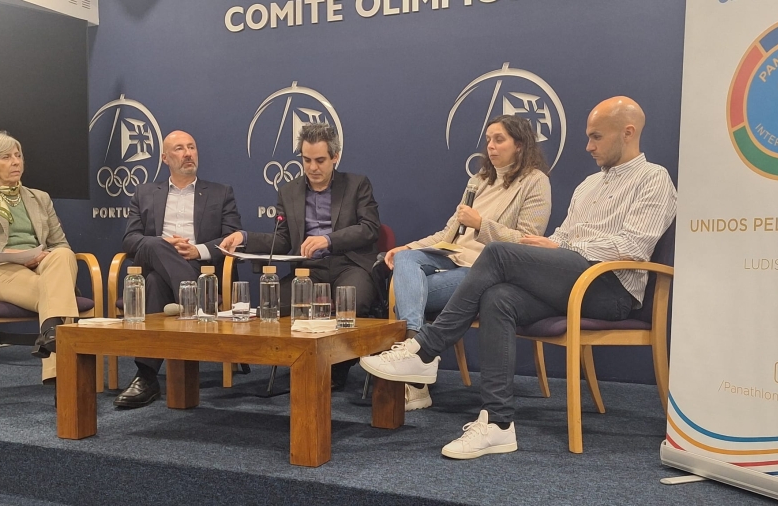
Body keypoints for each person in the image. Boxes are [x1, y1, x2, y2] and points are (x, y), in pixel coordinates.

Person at [360, 96, 677, 459]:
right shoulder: (589, 185)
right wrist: (550, 245)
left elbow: (634, 247)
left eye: (596, 137)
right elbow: (563, 234)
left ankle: (425, 349)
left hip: (611, 288)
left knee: (498, 252)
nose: (588, 146)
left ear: (628, 132)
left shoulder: (654, 179)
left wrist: (562, 247)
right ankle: (498, 424)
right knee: (498, 298)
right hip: (571, 279)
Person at [384, 115, 551, 411]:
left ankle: (415, 373)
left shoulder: (535, 182)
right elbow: (448, 233)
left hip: (485, 270)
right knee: (405, 259)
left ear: (520, 145)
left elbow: (527, 243)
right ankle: (417, 355)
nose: (491, 146)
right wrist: (408, 246)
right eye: (488, 140)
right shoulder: (479, 181)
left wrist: (481, 224)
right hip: (451, 258)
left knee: (409, 291)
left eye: (499, 140)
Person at [220, 123, 380, 389]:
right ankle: (299, 362)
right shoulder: (289, 191)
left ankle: (336, 367)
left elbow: (369, 228)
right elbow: (282, 240)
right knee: (273, 305)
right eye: (306, 160)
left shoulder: (357, 185)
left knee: (352, 300)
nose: (312, 168)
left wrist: (328, 239)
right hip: (308, 270)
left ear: (335, 157)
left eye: (320, 160)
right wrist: (244, 237)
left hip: (349, 264)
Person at [114, 130, 242, 409]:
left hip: (200, 267)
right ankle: (195, 300)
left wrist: (198, 250)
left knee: (154, 282)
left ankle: (146, 376)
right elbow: (130, 239)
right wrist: (165, 245)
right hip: (160, 259)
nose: (188, 153)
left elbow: (233, 237)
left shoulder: (220, 193)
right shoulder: (145, 193)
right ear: (164, 158)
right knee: (155, 245)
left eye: (191, 147)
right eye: (179, 149)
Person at [0, 131, 80, 385]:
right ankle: (62, 378)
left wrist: (41, 256)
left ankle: (50, 334)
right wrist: (3, 254)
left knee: (63, 254)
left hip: (41, 265)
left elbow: (60, 244)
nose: (16, 162)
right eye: (6, 157)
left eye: (18, 155)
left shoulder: (39, 197)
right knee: (58, 295)